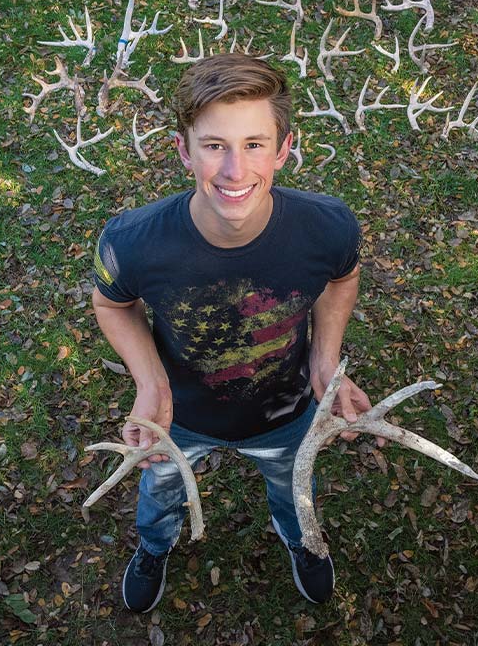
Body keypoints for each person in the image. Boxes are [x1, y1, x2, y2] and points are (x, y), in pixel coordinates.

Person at [92, 53, 373, 613]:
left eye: (254, 144)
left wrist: (325, 363)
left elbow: (342, 280)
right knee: (160, 494)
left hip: (287, 413)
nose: (235, 171)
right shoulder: (132, 241)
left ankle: (303, 542)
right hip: (180, 420)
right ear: (183, 150)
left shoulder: (329, 226)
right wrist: (152, 385)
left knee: (296, 493)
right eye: (214, 145)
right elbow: (111, 303)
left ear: (284, 147)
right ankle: (155, 545)